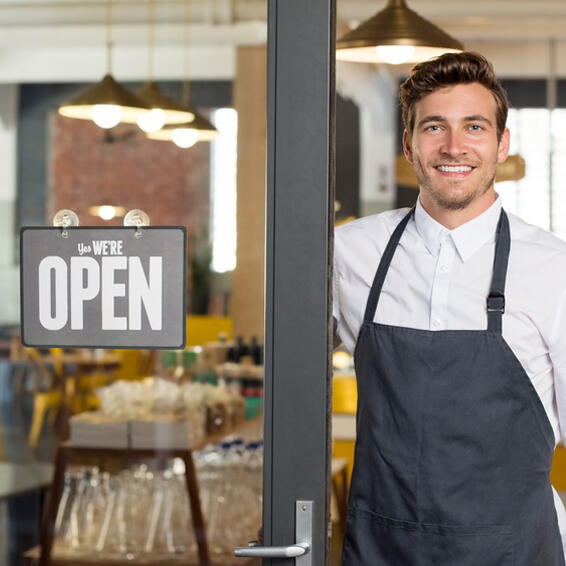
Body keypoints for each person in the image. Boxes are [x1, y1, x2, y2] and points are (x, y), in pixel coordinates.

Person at [334, 51, 566, 565]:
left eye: (475, 127)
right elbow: (294, 380)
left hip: (515, 551)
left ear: (502, 144)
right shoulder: (348, 254)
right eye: (434, 126)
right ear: (409, 144)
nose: (454, 146)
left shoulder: (554, 269)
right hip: (381, 548)